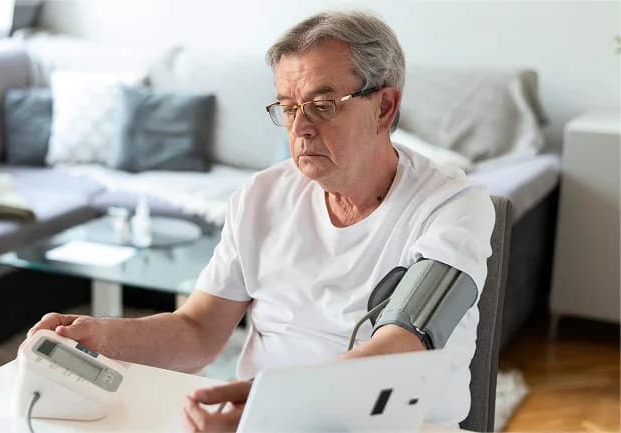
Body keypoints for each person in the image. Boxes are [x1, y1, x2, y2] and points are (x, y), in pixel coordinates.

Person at [25, 10, 494, 432]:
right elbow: (199, 331)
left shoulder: (453, 206)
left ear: (385, 107)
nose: (300, 127)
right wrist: (102, 335)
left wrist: (274, 412)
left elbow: (404, 346)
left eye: (323, 104)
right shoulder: (260, 197)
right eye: (288, 108)